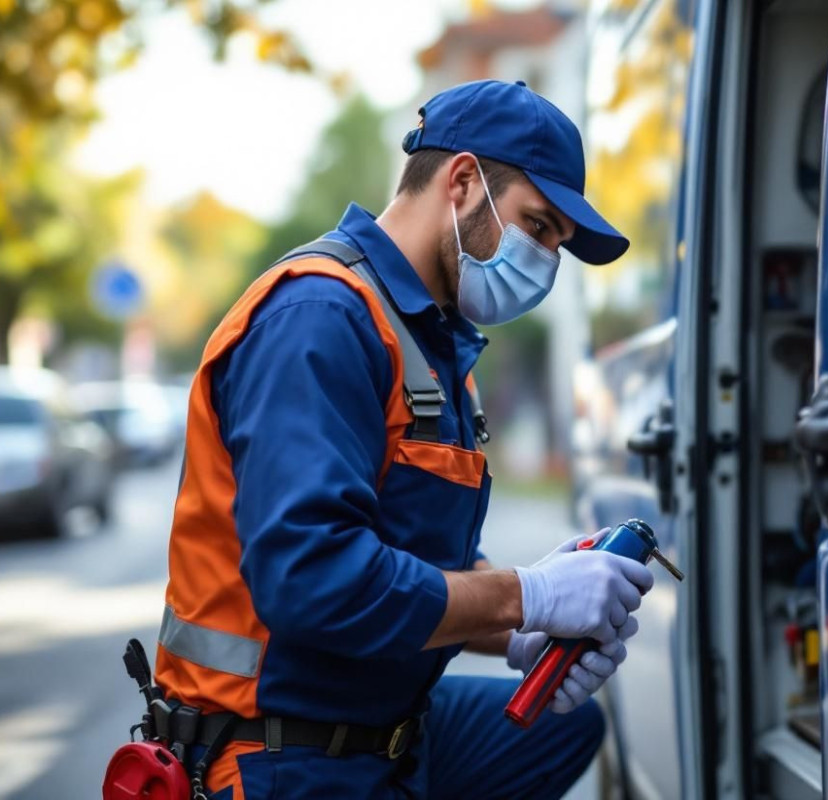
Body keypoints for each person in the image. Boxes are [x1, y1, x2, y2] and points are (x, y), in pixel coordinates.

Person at [151, 79, 651, 799]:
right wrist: (526, 596)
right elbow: (312, 578)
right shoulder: (320, 316)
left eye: (559, 245)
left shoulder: (433, 343)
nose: (546, 260)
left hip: (383, 729)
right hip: (276, 752)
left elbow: (413, 555)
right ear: (462, 181)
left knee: (565, 729)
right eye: (538, 227)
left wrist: (517, 635)